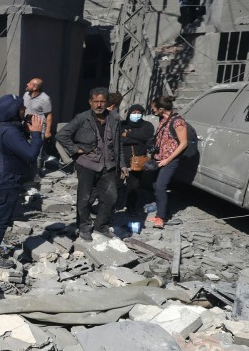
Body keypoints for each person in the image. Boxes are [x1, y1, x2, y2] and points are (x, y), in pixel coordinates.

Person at [0, 95, 45, 267]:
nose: (24, 110)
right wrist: (37, 134)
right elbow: (30, 155)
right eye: (21, 108)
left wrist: (22, 127)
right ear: (12, 112)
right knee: (1, 220)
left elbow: (6, 147)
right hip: (5, 182)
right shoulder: (9, 132)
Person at [57, 87, 121, 240]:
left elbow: (118, 144)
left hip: (109, 165)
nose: (99, 105)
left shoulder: (115, 118)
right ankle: (84, 226)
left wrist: (122, 164)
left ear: (107, 103)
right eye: (96, 102)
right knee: (85, 198)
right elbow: (62, 134)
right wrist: (74, 149)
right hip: (87, 164)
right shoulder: (82, 118)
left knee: (111, 197)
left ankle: (101, 225)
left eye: (102, 102)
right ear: (90, 102)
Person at [149, 96, 191, 229]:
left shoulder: (178, 122)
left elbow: (184, 143)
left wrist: (168, 159)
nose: (152, 110)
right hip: (159, 158)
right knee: (156, 185)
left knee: (161, 187)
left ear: (161, 109)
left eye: (154, 108)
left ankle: (161, 218)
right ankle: (160, 213)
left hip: (170, 160)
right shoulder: (163, 118)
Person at [119, 104, 156, 232]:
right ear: (129, 113)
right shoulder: (122, 124)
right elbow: (119, 139)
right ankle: (115, 205)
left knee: (133, 186)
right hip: (121, 160)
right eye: (133, 112)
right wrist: (136, 138)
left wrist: (128, 134)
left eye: (138, 112)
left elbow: (147, 137)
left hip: (137, 162)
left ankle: (131, 207)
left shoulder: (147, 126)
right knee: (115, 184)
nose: (136, 114)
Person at [22, 77, 53, 178]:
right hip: (26, 126)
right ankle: (25, 172)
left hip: (38, 128)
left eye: (30, 84)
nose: (27, 84)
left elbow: (49, 115)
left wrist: (47, 131)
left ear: (34, 87)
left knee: (37, 153)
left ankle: (35, 175)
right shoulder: (26, 95)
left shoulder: (45, 99)